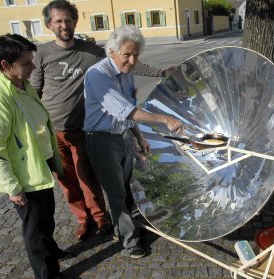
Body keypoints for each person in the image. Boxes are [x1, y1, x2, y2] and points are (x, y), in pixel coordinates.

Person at [30, 0, 173, 240]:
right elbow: (34, 91)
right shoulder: (42, 53)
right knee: (67, 181)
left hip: (83, 127)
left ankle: (101, 219)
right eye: (58, 21)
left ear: (75, 21)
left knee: (89, 179)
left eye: (68, 19)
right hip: (54, 128)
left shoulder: (93, 51)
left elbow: (129, 61)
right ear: (49, 24)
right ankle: (83, 220)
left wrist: (161, 73)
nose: (64, 25)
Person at [83, 25, 183, 258]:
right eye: (127, 54)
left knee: (126, 187)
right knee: (116, 192)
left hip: (123, 136)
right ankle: (130, 242)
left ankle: (124, 229)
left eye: (136, 55)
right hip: (101, 141)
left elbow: (130, 110)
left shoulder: (127, 74)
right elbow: (125, 110)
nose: (131, 60)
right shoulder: (97, 75)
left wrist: (139, 137)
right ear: (112, 51)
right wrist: (163, 119)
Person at [0, 34, 69, 279]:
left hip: (40, 164)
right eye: (26, 63)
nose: (33, 67)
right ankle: (47, 274)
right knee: (34, 230)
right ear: (5, 65)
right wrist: (12, 187)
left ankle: (51, 249)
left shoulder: (22, 85)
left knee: (46, 217)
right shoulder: (0, 98)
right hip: (24, 176)